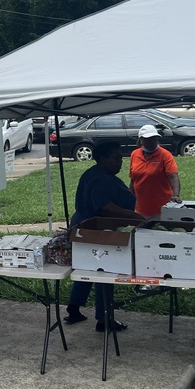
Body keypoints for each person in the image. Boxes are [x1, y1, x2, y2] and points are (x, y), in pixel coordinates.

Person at [65, 141, 145, 331]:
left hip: (86, 229)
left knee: (87, 270)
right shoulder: (100, 179)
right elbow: (105, 206)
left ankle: (74, 307)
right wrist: (135, 217)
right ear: (103, 159)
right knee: (104, 273)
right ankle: (104, 319)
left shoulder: (96, 173)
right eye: (116, 158)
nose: (120, 162)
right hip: (96, 232)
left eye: (121, 158)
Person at [129, 125, 181, 217]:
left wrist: (176, 195)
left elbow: (173, 176)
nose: (152, 141)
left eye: (154, 138)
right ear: (141, 140)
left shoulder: (165, 155)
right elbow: (133, 179)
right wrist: (129, 197)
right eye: (148, 139)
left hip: (162, 207)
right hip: (141, 206)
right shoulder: (135, 154)